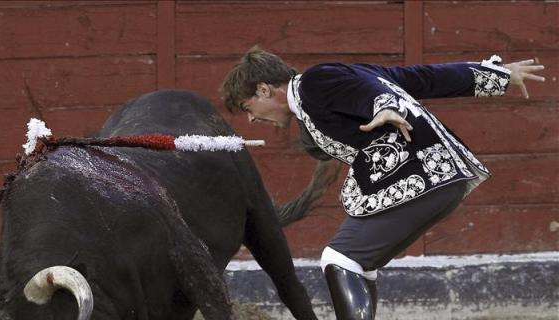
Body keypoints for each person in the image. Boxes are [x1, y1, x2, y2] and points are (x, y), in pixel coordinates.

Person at [221, 46, 545, 320]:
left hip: (421, 178)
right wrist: (495, 76)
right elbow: (423, 78)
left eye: (249, 108)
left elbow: (372, 96)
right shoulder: (340, 81)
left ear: (264, 90)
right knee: (356, 265)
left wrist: (384, 107)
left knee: (341, 260)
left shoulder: (314, 82)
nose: (252, 119)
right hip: (434, 178)